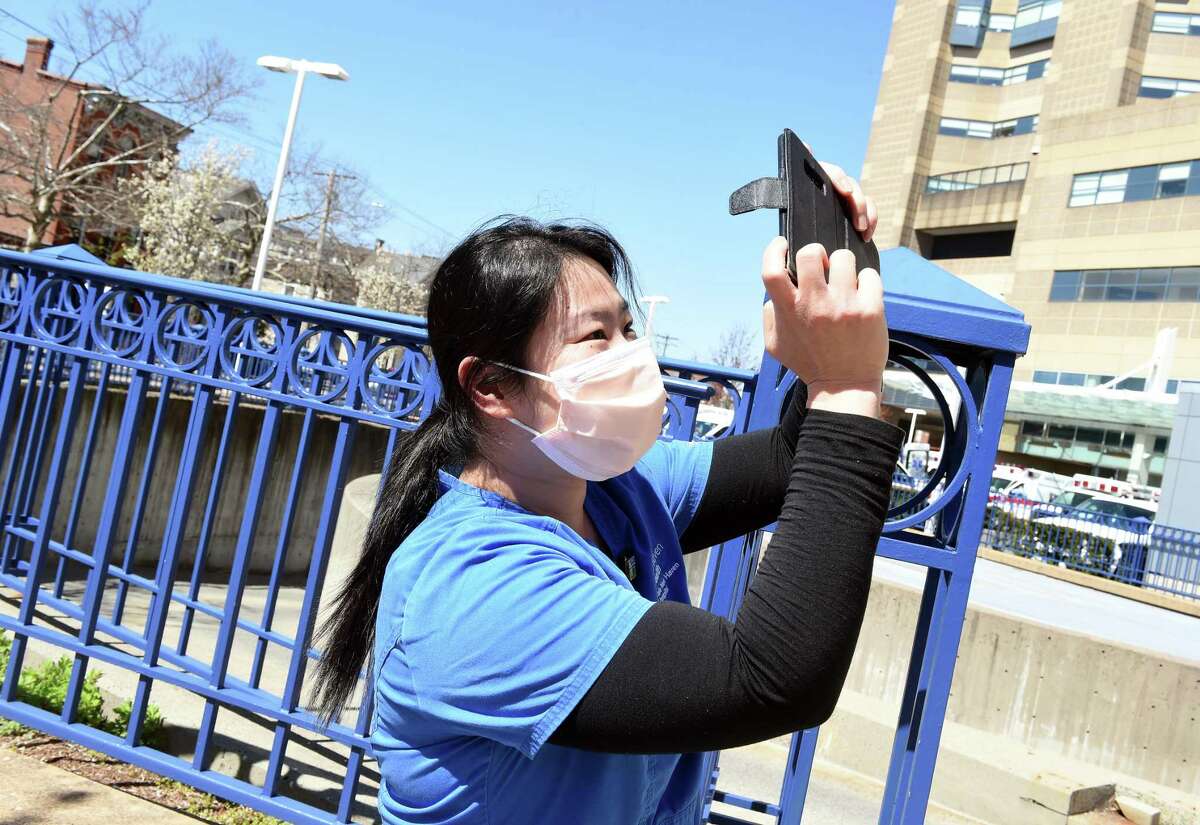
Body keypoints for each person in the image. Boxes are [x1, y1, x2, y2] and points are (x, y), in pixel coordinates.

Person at [311, 167, 904, 825]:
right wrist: (846, 387)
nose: (633, 354)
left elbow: (786, 463)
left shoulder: (612, 489)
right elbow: (768, 678)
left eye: (627, 328)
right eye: (597, 336)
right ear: (492, 387)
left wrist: (832, 299)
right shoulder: (470, 586)